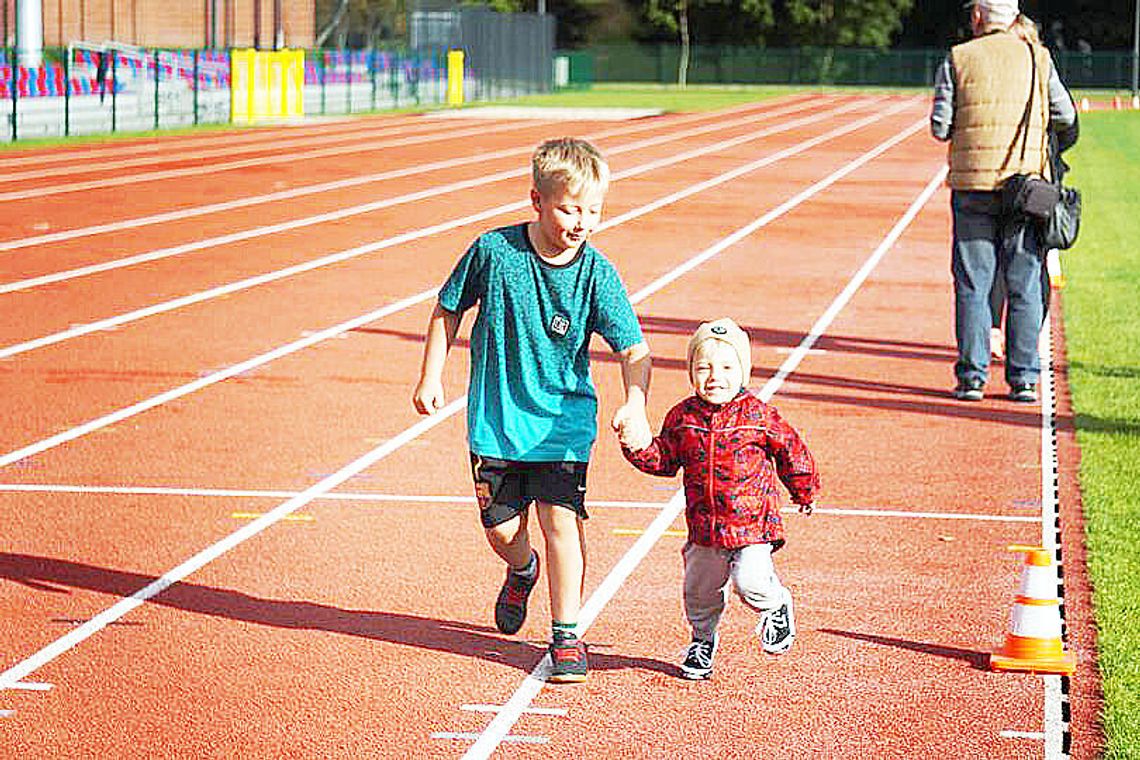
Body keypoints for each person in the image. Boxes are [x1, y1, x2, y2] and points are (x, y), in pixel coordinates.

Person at [412, 137, 652, 684]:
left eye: (594, 210)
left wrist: (634, 403)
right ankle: (522, 569)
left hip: (564, 426)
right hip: (495, 423)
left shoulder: (597, 274)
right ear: (537, 200)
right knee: (500, 529)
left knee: (560, 522)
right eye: (570, 208)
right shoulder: (494, 253)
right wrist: (430, 375)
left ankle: (567, 632)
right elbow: (447, 309)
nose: (582, 221)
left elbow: (634, 349)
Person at [616, 318, 819, 680]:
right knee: (699, 592)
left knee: (751, 582)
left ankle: (776, 604)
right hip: (704, 527)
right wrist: (636, 445)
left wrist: (803, 488)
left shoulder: (759, 415)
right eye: (704, 367)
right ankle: (702, 641)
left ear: (743, 370)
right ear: (692, 372)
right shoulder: (682, 417)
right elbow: (664, 460)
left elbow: (790, 448)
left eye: (726, 367)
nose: (715, 376)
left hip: (752, 525)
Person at [930, 0, 1078, 403]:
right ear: (1014, 17)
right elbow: (1065, 114)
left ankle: (973, 377)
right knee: (1025, 282)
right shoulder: (1038, 57)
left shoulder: (958, 57)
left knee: (973, 284)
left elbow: (940, 127)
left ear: (978, 17)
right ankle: (1024, 378)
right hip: (1026, 189)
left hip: (973, 186)